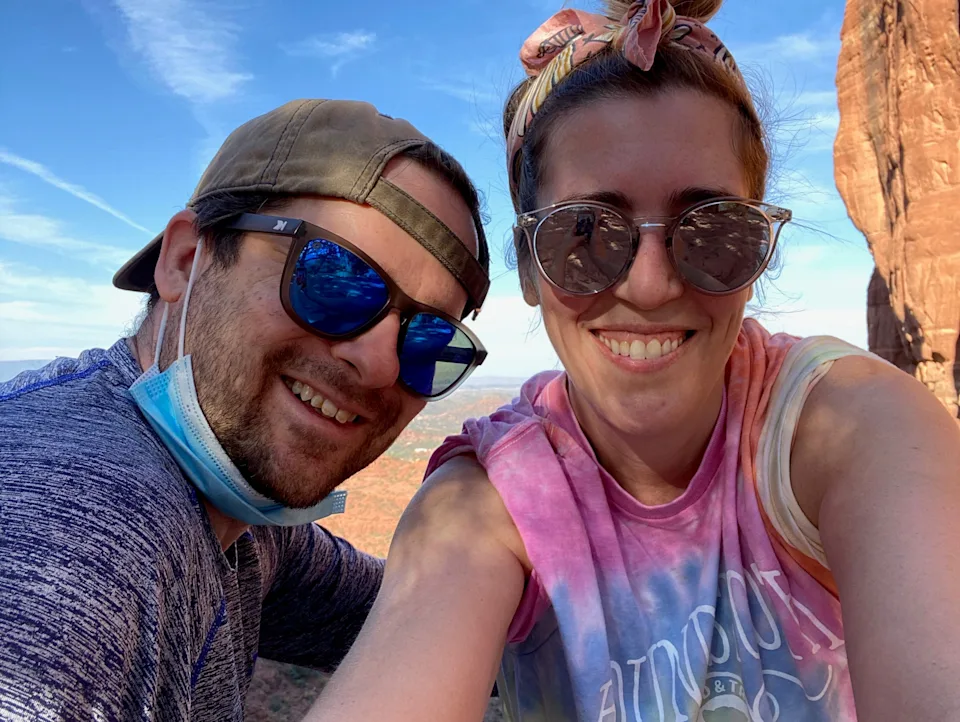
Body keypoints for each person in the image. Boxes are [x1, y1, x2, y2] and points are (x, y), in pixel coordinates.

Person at [304, 3, 960, 721]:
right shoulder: (489, 501)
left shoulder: (852, 425)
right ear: (528, 266)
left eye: (713, 230)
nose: (649, 286)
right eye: (583, 233)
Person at [0, 99, 490, 719]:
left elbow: (396, 614)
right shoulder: (84, 527)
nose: (381, 364)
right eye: (334, 278)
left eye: (428, 340)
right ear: (183, 260)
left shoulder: (246, 527)